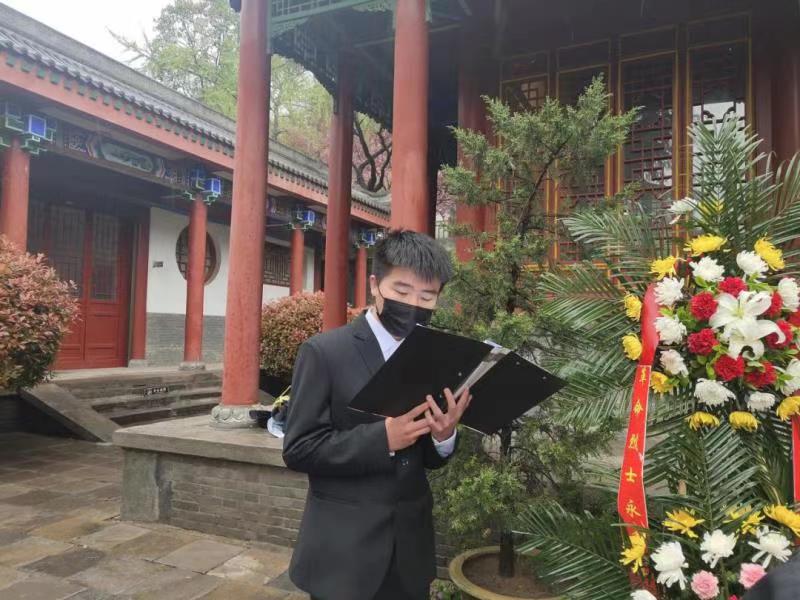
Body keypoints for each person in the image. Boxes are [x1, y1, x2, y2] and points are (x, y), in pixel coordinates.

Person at [282, 229, 471, 600]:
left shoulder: (432, 357)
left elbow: (426, 459)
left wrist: (443, 436)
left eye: (427, 296)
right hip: (344, 553)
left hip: (409, 552)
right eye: (402, 291)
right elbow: (299, 448)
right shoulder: (324, 352)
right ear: (374, 284)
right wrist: (382, 438)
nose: (413, 304)